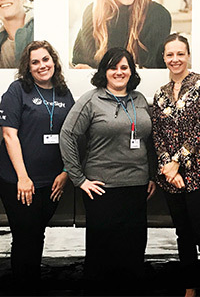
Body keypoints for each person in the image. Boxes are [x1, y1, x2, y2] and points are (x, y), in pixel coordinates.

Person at [60, 47, 157, 292]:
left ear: (132, 72)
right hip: (102, 190)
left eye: (124, 67)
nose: (119, 72)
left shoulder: (139, 100)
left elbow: (149, 140)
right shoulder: (92, 99)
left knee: (133, 253)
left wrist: (151, 175)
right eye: (113, 67)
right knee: (103, 257)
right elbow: (68, 135)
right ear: (104, 71)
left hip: (136, 188)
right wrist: (79, 179)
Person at [0, 40, 74, 294]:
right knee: (25, 236)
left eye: (46, 59)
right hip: (18, 181)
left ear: (54, 61)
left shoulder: (63, 92)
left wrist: (65, 173)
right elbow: (9, 135)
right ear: (28, 68)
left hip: (51, 182)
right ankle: (24, 287)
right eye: (35, 62)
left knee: (36, 234)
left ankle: (30, 284)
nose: (42, 66)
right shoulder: (18, 90)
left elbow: (71, 137)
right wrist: (23, 177)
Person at [152, 33, 200, 297]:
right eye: (170, 54)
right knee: (183, 235)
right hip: (171, 178)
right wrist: (167, 167)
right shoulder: (160, 94)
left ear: (188, 55)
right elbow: (158, 135)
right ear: (164, 58)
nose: (175, 59)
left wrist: (178, 162)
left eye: (180, 53)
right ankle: (190, 288)